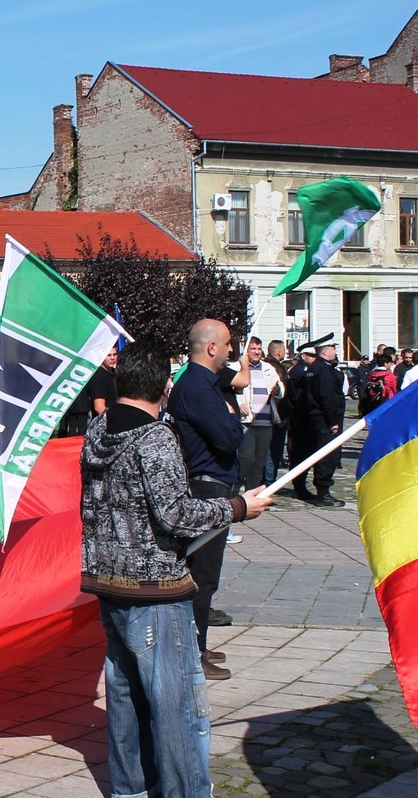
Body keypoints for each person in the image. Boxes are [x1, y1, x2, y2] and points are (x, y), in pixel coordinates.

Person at [81, 342, 272, 798]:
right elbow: (176, 514)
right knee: (176, 702)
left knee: (125, 694)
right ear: (164, 385)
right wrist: (238, 507)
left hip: (107, 578)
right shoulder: (156, 436)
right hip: (155, 588)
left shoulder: (98, 429)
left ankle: (131, 788)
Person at [165, 319, 246, 680]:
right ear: (212, 347)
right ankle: (191, 652)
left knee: (205, 576)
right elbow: (227, 438)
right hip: (206, 488)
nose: (231, 351)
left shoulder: (204, 383)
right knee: (202, 576)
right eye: (227, 344)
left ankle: (197, 643)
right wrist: (233, 418)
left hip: (212, 484)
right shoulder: (197, 387)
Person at [288, 339, 348, 507]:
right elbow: (326, 397)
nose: (335, 351)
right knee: (327, 456)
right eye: (333, 348)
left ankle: (301, 487)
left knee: (308, 453)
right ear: (325, 351)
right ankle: (323, 493)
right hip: (324, 420)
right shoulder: (324, 370)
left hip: (314, 419)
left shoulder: (314, 368)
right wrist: (332, 421)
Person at [236, 337, 283, 491]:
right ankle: (234, 488)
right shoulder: (237, 367)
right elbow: (230, 391)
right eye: (253, 349)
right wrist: (239, 403)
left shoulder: (268, 368)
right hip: (247, 421)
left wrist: (278, 391)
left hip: (265, 421)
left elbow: (280, 388)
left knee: (259, 461)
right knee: (246, 457)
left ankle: (252, 492)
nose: (256, 352)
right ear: (246, 350)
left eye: (259, 349)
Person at [264, 340, 290, 484]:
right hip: (275, 416)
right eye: (284, 350)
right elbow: (280, 396)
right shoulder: (275, 368)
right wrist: (282, 416)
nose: (286, 352)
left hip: (268, 415)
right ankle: (269, 482)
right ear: (279, 352)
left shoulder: (266, 365)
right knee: (273, 451)